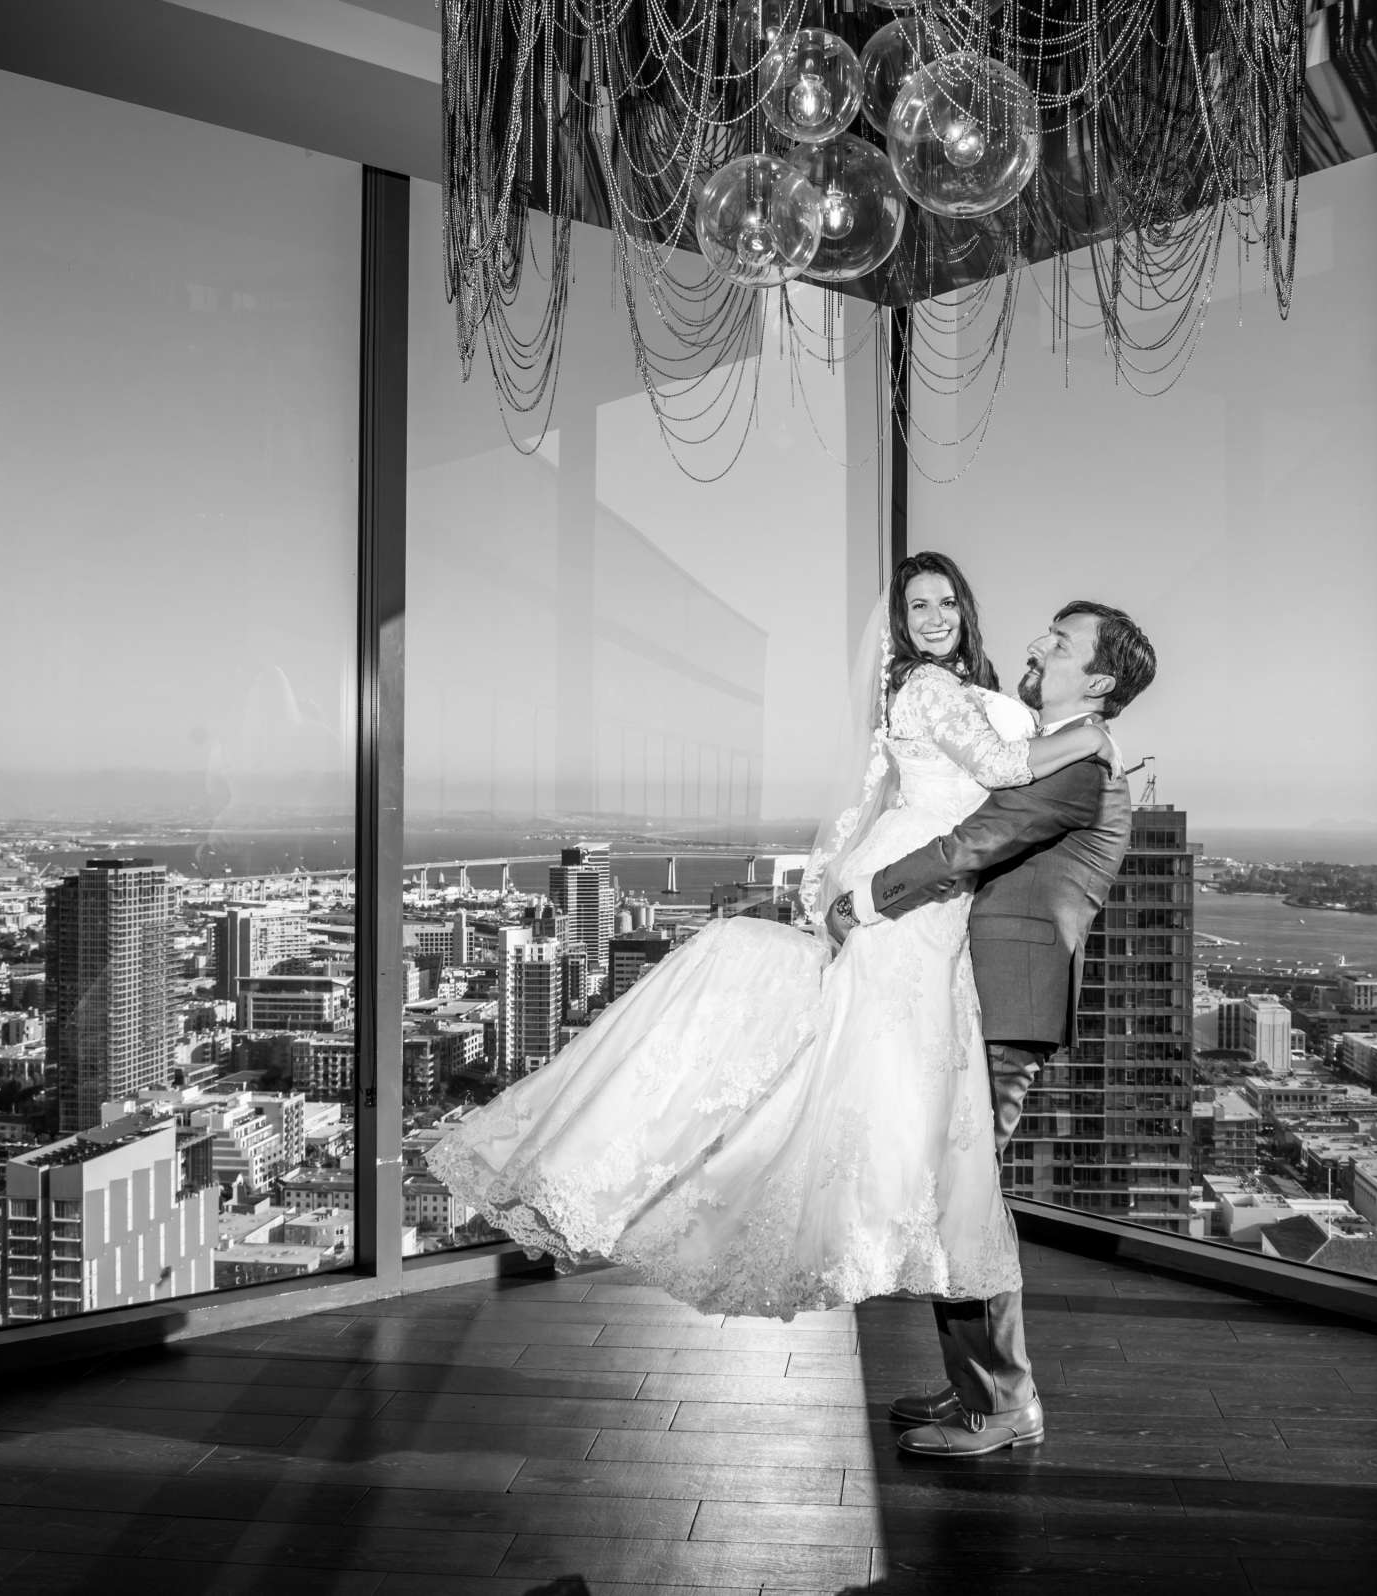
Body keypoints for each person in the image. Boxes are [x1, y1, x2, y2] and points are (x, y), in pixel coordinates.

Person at [426, 552, 1111, 1323]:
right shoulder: (927, 685)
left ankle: (871, 1230)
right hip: (909, 889)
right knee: (872, 1056)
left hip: (928, 895)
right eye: (918, 607)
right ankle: (823, 1221)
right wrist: (1092, 737)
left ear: (965, 607)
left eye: (946, 602)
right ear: (900, 625)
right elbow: (1003, 766)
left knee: (878, 1063)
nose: (934, 618)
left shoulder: (954, 688)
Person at [824, 598, 1157, 1457]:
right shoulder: (1047, 755)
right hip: (974, 997)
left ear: (1100, 679)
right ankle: (976, 1387)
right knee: (953, 1194)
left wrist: (866, 897)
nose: (1039, 644)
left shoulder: (1079, 771)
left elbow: (976, 842)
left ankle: (1005, 1404)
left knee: (965, 1204)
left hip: (1009, 1005)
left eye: (1062, 641)